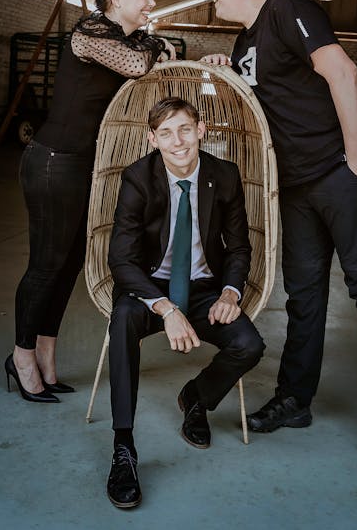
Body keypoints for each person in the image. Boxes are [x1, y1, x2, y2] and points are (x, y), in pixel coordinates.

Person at [200, 0, 357, 456]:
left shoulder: (286, 7)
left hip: (341, 169)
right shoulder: (243, 42)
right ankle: (294, 399)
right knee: (304, 296)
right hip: (297, 184)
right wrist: (223, 72)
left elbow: (342, 73)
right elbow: (260, 106)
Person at [5, 0, 176, 404]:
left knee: (70, 263)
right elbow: (141, 65)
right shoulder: (89, 32)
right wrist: (159, 43)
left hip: (82, 164)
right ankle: (20, 356)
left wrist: (160, 44)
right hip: (53, 160)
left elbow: (153, 58)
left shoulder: (126, 38)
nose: (151, 2)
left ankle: (45, 353)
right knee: (46, 263)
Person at [106, 97, 265, 509]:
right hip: (150, 287)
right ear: (151, 138)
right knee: (122, 321)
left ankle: (196, 397)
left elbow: (239, 247)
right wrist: (165, 308)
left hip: (204, 287)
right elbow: (121, 260)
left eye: (185, 129)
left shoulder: (225, 175)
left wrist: (231, 291)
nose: (177, 141)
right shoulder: (138, 177)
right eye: (165, 133)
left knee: (249, 344)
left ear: (202, 130)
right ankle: (123, 446)